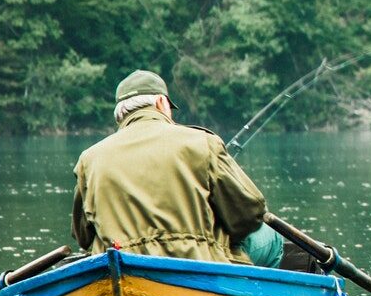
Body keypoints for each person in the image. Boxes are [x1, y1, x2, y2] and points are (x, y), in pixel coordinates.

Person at [72, 70, 286, 266]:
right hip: (197, 265)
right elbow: (251, 210)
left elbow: (83, 236)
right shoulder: (202, 142)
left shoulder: (89, 159)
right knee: (271, 237)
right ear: (160, 102)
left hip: (121, 267)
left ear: (120, 114)